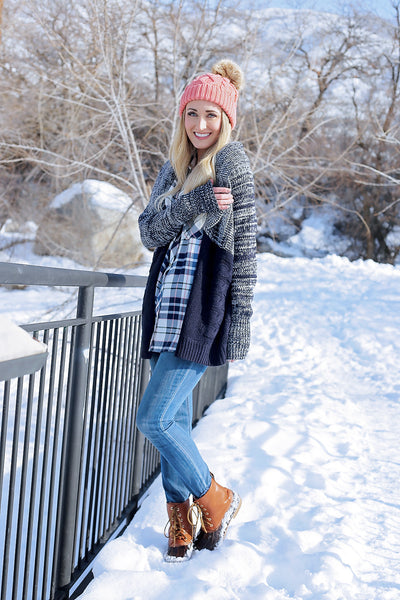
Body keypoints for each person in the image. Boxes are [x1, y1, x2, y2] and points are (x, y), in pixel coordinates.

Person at [136, 59, 257, 562]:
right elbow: (148, 234)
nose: (200, 125)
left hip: (201, 312)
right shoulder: (175, 165)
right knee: (175, 422)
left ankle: (215, 497)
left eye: (211, 115)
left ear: (225, 119)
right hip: (165, 309)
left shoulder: (232, 163)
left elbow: (245, 249)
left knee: (154, 419)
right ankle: (181, 520)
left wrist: (241, 320)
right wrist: (187, 204)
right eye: (192, 114)